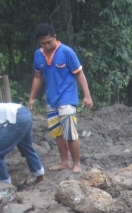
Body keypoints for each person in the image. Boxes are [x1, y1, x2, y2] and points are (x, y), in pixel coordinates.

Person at [28, 23, 93, 173]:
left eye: (49, 42)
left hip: (67, 97)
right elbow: (38, 77)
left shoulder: (67, 52)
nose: (47, 45)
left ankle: (76, 164)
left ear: (55, 37)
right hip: (51, 99)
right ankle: (64, 162)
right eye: (43, 43)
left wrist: (87, 95)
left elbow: (79, 73)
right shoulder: (39, 55)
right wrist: (32, 97)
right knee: (58, 133)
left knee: (70, 132)